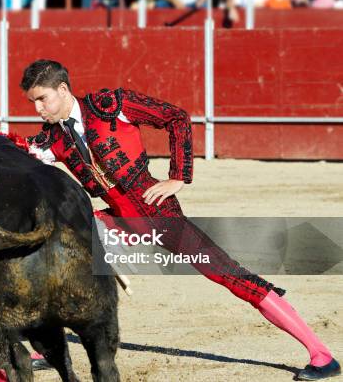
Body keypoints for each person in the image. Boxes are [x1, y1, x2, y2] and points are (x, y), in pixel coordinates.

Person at [22, 59, 341, 381]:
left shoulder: (110, 106)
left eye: (42, 99)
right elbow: (15, 154)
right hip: (117, 218)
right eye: (33, 101)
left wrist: (178, 177)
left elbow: (176, 118)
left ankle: (322, 355)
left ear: (63, 89)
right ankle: (47, 349)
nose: (38, 108)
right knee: (58, 258)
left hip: (159, 215)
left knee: (232, 276)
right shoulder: (53, 139)